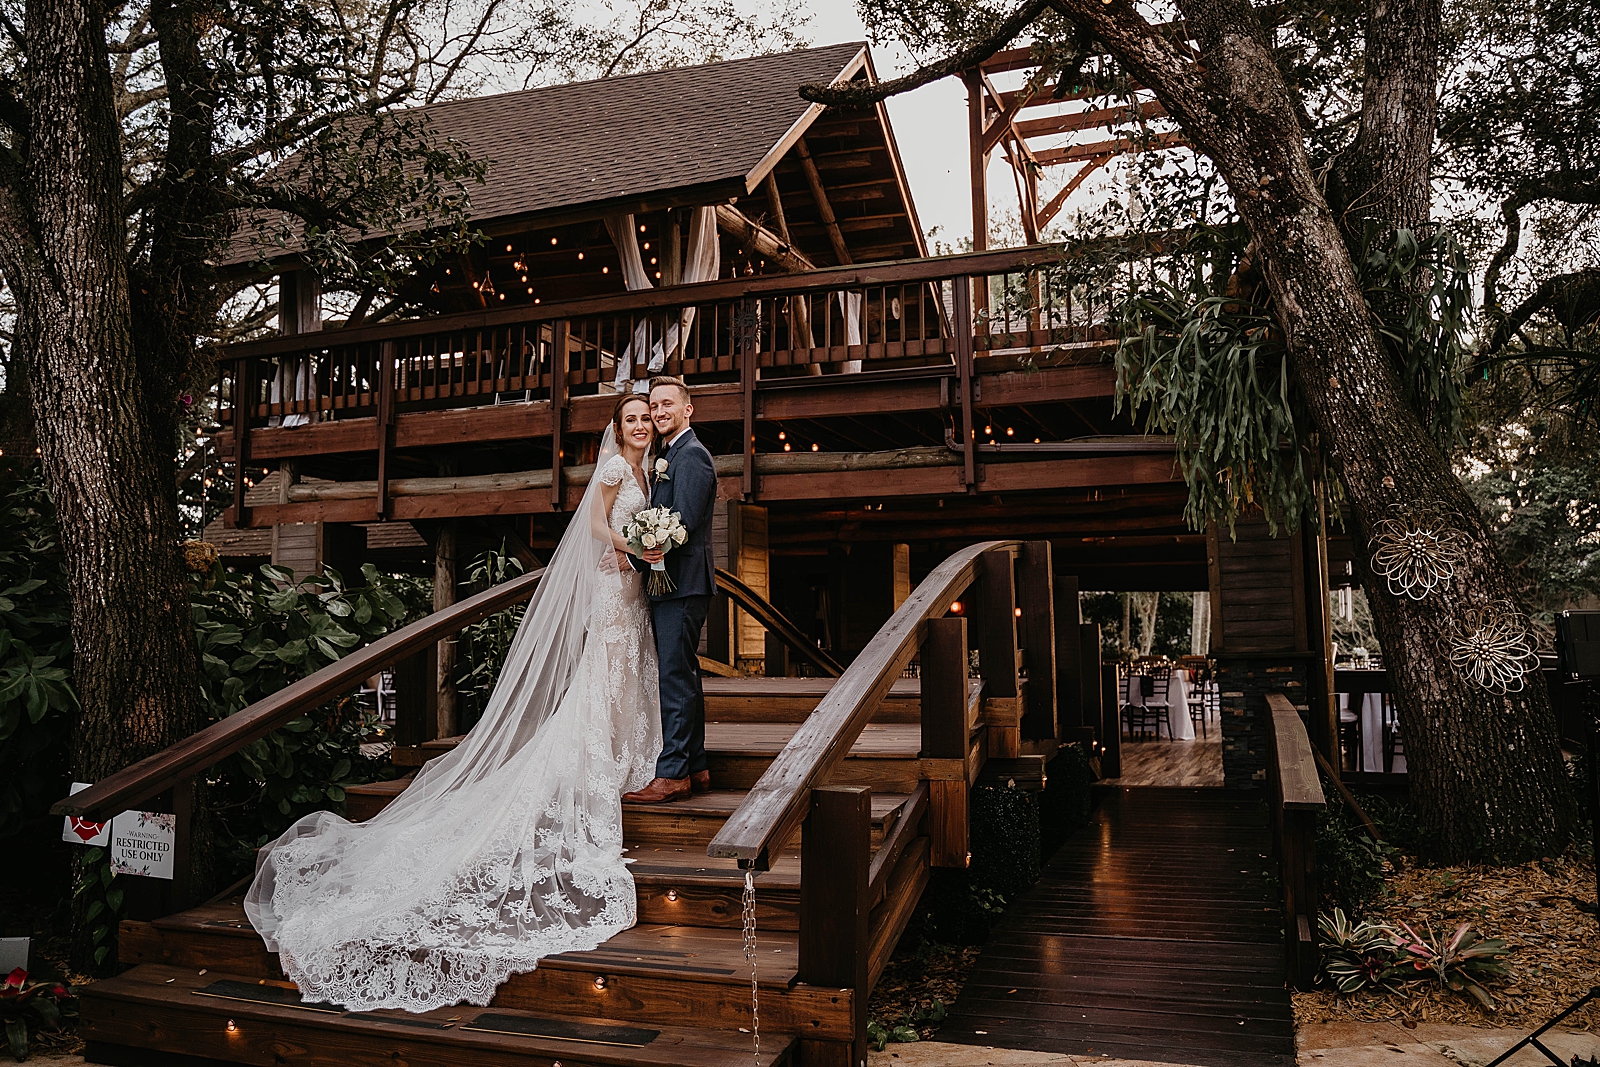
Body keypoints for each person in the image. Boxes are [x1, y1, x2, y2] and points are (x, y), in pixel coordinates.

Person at [243, 393, 664, 1014]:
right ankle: (594, 753)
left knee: (627, 671)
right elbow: (596, 527)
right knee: (603, 670)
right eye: (629, 419)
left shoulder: (648, 471)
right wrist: (632, 545)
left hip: (634, 583)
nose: (637, 427)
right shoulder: (609, 470)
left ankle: (625, 748)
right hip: (612, 581)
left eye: (643, 419)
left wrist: (650, 547)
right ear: (618, 427)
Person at [623, 376, 718, 804]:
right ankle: (695, 766)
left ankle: (673, 773)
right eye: (654, 406)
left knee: (674, 677)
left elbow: (683, 523)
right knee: (684, 674)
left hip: (682, 584)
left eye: (666, 405)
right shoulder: (669, 454)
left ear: (687, 410)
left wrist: (632, 555)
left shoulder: (692, 456)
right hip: (674, 584)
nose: (659, 413)